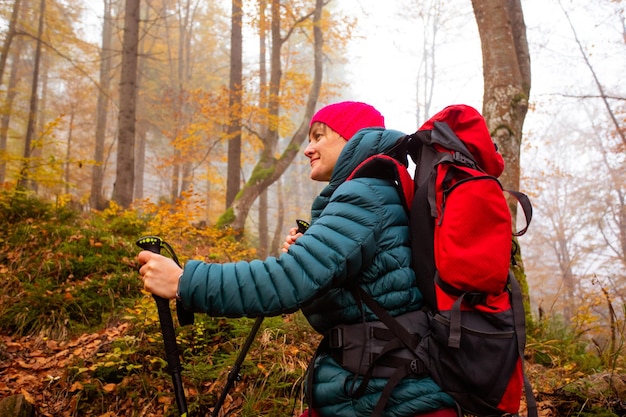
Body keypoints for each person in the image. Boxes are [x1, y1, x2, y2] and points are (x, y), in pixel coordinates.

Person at [138, 101, 457, 417]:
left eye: (319, 136)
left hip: (390, 397)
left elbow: (287, 280)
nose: (308, 149)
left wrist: (184, 282)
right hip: (377, 389)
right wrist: (314, 252)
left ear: (352, 137)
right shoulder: (380, 190)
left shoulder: (365, 194)